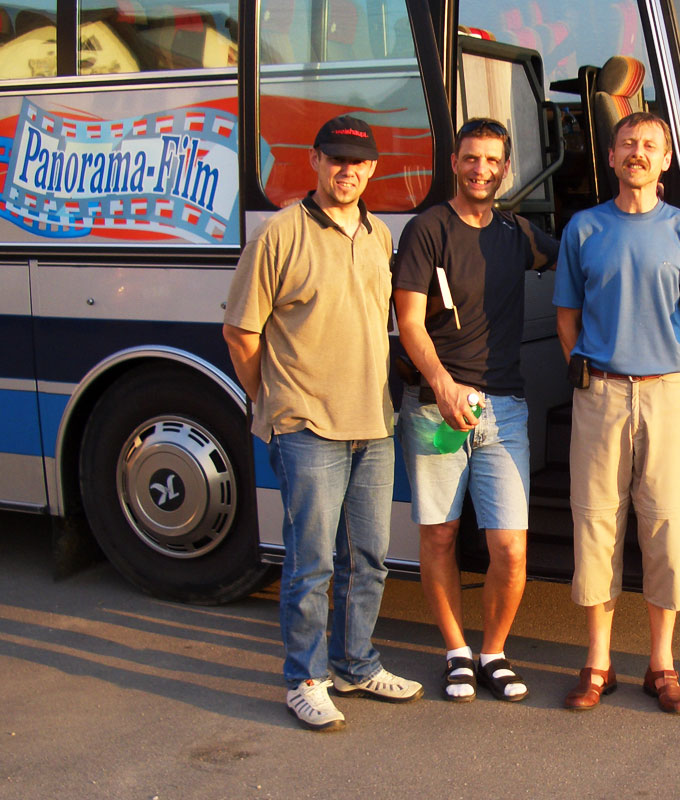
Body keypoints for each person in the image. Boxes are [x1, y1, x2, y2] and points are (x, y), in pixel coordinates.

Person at [223, 115, 423, 732]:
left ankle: (356, 664)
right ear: (313, 162)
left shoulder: (379, 235)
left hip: (373, 422)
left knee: (369, 557)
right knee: (310, 563)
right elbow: (240, 331)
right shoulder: (279, 234)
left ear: (372, 170)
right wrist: (273, 404)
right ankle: (305, 679)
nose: (348, 172)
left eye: (359, 163)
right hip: (306, 424)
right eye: (336, 160)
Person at [553, 111, 680, 714]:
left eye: (650, 144)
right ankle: (598, 664)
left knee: (666, 526)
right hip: (599, 395)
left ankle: (662, 666)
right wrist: (579, 363)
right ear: (612, 155)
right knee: (596, 523)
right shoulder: (584, 230)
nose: (638, 152)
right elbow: (565, 314)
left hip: (667, 397)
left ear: (666, 159)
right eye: (628, 143)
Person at [392, 118, 558, 703]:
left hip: (504, 411)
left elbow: (581, 261)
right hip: (437, 411)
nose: (480, 169)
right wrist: (440, 384)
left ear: (505, 168)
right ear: (455, 163)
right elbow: (408, 321)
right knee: (439, 536)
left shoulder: (518, 234)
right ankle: (456, 652)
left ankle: (494, 652)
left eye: (491, 160)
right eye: (470, 158)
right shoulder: (427, 230)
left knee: (510, 546)